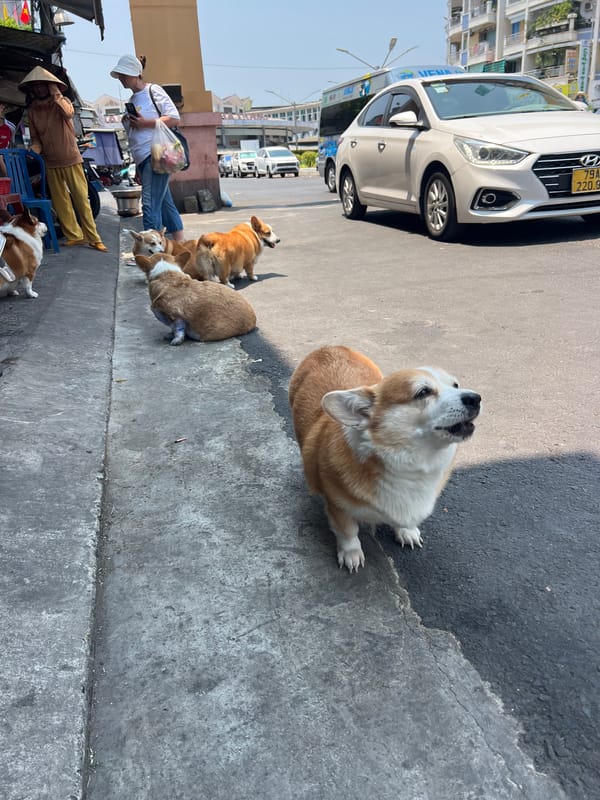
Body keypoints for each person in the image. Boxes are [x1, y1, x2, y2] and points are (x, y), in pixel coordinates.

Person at [18, 66, 107, 251]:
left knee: (81, 199)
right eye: (37, 86)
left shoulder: (62, 102)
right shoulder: (33, 110)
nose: (40, 89)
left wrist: (56, 94)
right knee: (60, 202)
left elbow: (68, 113)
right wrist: (32, 151)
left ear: (51, 86)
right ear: (32, 89)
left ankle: (94, 237)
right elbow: (36, 139)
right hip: (50, 162)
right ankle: (75, 235)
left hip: (71, 158)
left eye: (44, 85)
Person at [109, 55, 185, 243]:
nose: (121, 79)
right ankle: (180, 244)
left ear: (135, 74)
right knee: (165, 204)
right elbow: (135, 135)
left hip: (156, 154)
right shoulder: (133, 99)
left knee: (150, 205)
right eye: (120, 76)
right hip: (143, 157)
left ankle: (151, 251)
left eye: (124, 75)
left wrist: (145, 122)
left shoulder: (153, 90)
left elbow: (174, 117)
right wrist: (129, 121)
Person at [0, 101, 16, 177]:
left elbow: (12, 143)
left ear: (2, 108)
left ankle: (9, 181)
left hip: (4, 156)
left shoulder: (10, 127)